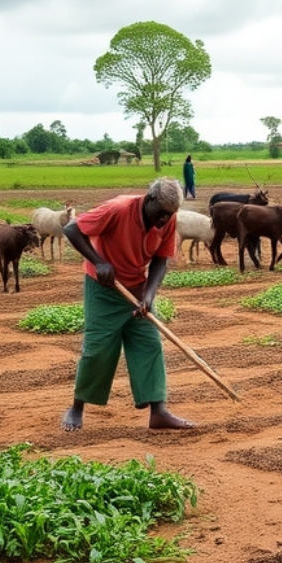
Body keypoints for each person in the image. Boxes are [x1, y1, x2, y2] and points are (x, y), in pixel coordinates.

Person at [60, 177, 193, 432]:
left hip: (137, 288)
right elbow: (72, 229)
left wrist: (150, 295)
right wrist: (99, 261)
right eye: (161, 213)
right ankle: (76, 408)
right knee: (98, 349)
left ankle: (159, 412)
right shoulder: (119, 209)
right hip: (104, 289)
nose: (164, 220)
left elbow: (161, 259)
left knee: (149, 344)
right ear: (149, 198)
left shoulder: (168, 217)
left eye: (170, 215)